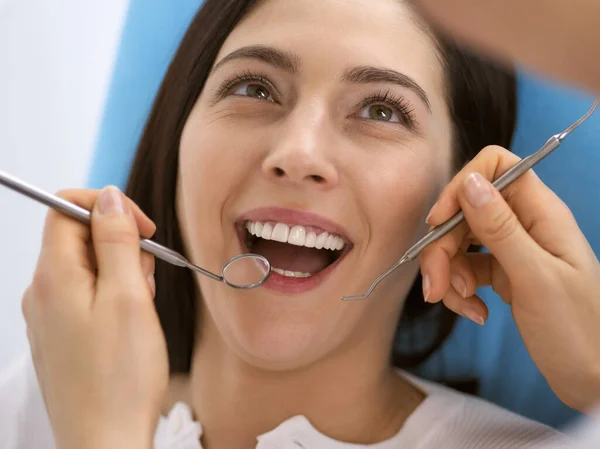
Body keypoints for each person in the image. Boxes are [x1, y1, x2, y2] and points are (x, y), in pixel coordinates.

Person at [0, 0, 589, 448]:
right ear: (178, 137)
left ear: (461, 200)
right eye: (253, 87)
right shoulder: (34, 403)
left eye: (381, 110)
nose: (298, 153)